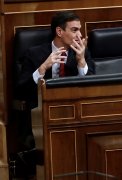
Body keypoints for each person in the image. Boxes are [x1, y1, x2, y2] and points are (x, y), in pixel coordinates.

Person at [12, 11, 95, 178]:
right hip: (41, 114)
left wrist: (81, 62)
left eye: (79, 30)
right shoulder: (34, 54)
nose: (79, 35)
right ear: (59, 32)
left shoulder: (81, 52)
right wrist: (42, 68)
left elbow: (93, 86)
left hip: (75, 113)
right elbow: (20, 90)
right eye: (74, 30)